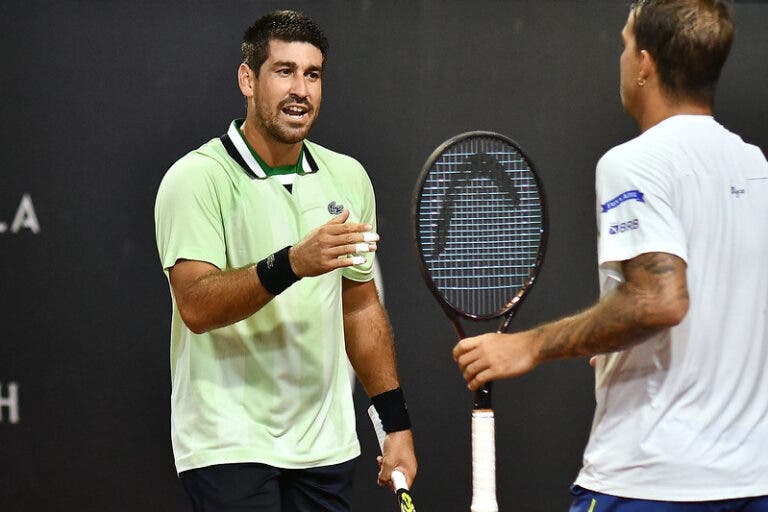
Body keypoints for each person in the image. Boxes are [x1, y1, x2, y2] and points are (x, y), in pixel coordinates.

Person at [453, 1, 768, 510]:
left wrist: (527, 346)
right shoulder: (755, 167)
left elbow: (659, 302)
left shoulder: (635, 162)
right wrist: (619, 341)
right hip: (752, 481)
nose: (620, 58)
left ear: (645, 64)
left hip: (650, 481)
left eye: (624, 45)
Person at [154, 10, 416, 511]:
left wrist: (395, 424)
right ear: (248, 79)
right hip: (228, 443)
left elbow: (359, 309)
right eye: (284, 71)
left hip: (325, 446)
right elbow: (197, 305)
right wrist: (293, 262)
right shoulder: (195, 179)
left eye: (312, 74)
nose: (301, 89)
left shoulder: (349, 178)